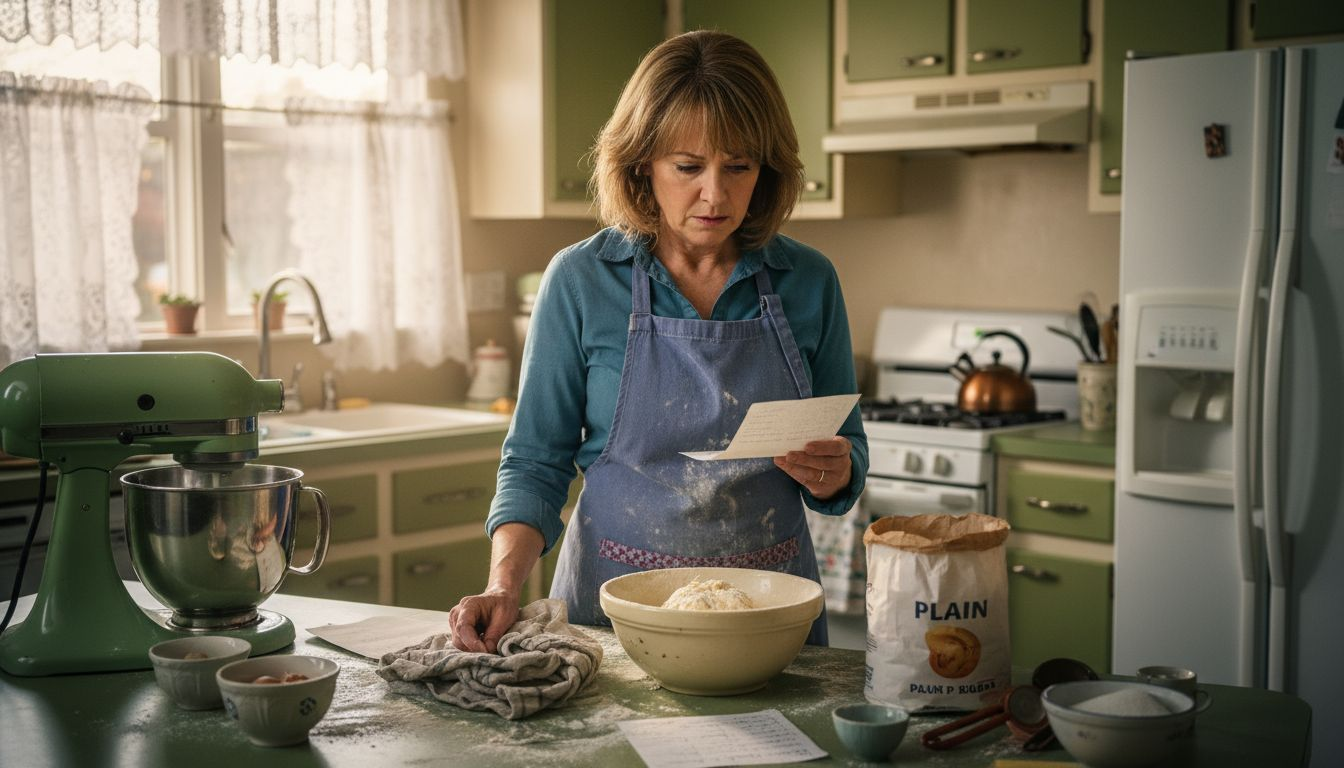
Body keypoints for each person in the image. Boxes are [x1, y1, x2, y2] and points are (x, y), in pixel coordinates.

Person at [449, 30, 868, 652]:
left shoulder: (809, 281)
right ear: (642, 161)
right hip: (615, 615)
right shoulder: (582, 281)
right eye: (689, 167)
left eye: (739, 166)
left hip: (772, 614)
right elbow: (536, 461)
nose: (716, 194)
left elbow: (848, 453)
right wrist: (505, 584)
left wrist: (835, 473)